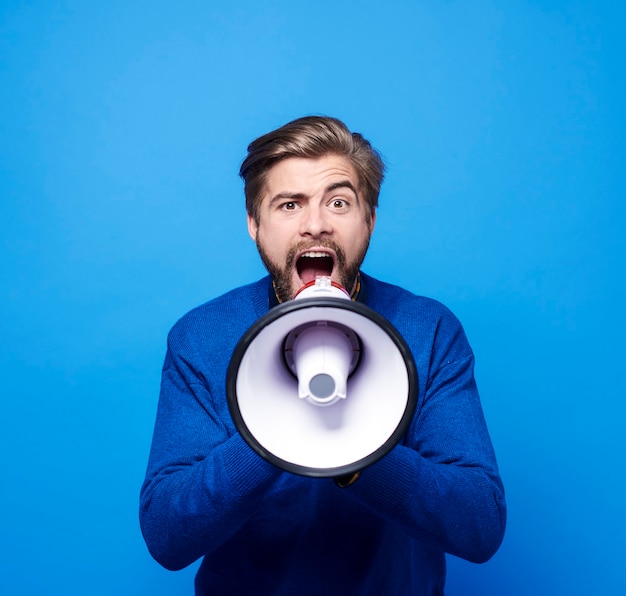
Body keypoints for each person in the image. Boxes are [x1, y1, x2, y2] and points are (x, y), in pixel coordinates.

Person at [140, 116, 506, 595]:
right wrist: (272, 432)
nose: (316, 224)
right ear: (254, 224)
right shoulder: (201, 336)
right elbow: (167, 537)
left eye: (339, 202)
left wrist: (356, 450)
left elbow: (480, 527)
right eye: (289, 204)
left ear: (369, 219)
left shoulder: (429, 328)